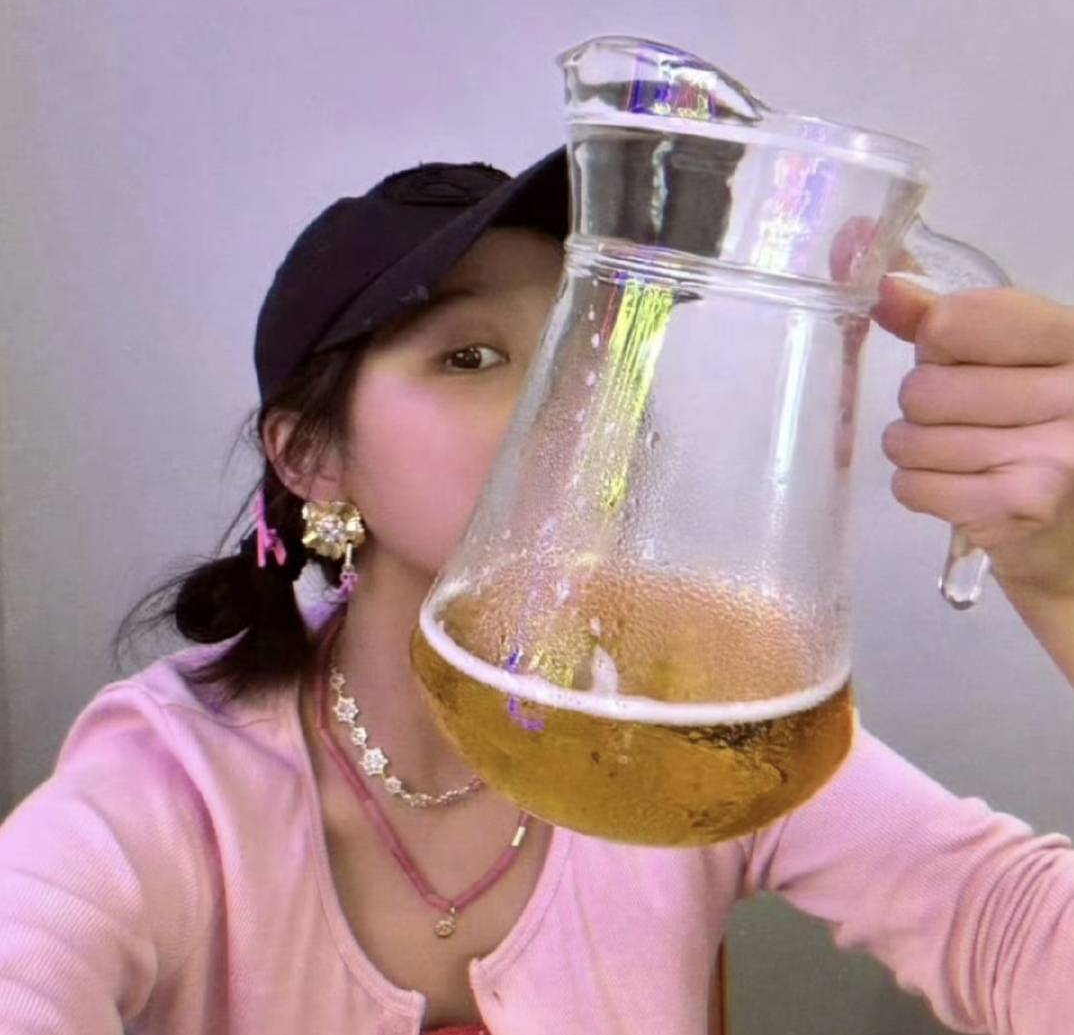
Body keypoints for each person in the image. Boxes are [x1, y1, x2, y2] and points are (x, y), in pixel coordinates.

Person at [1, 148, 1072, 1035]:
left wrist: (1062, 587)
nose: (576, 403)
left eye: (592, 346)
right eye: (472, 355)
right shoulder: (170, 784)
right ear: (311, 459)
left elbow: (1016, 929)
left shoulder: (690, 713)